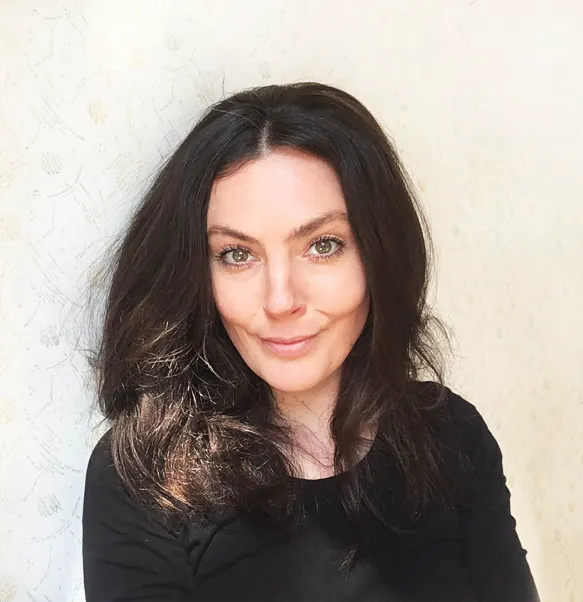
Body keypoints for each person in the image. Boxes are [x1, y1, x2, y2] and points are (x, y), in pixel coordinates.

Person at [82, 82, 539, 602]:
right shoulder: (146, 475)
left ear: (380, 254)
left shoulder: (452, 435)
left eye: (323, 246)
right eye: (237, 254)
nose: (281, 300)